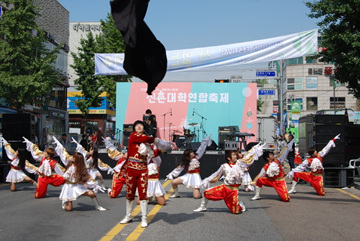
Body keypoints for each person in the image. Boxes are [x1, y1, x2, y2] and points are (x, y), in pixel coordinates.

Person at [194, 145, 263, 213]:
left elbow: (248, 157)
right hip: (224, 188)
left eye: (235, 155)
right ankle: (202, 207)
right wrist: (207, 180)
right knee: (207, 192)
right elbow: (216, 174)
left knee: (236, 211)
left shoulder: (239, 164)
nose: (235, 156)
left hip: (233, 191)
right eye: (233, 155)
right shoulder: (224, 166)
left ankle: (241, 205)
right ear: (228, 158)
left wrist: (254, 150)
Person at [119, 120, 159, 228]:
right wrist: (155, 140)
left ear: (144, 128)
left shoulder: (146, 143)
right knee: (129, 193)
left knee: (142, 194)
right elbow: (146, 138)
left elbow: (152, 154)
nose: (139, 127)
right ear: (134, 128)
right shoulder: (133, 137)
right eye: (137, 125)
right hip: (131, 169)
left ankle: (144, 218)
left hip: (143, 169)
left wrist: (162, 149)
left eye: (141, 125)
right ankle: (128, 216)